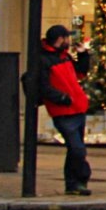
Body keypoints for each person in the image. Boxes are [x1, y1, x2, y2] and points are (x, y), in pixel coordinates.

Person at [39, 25, 93, 196]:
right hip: (63, 110)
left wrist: (83, 54)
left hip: (76, 108)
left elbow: (80, 73)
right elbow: (43, 87)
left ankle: (72, 184)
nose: (69, 41)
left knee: (74, 149)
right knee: (77, 149)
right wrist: (62, 98)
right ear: (60, 39)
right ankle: (81, 178)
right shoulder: (43, 60)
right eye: (67, 38)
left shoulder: (65, 56)